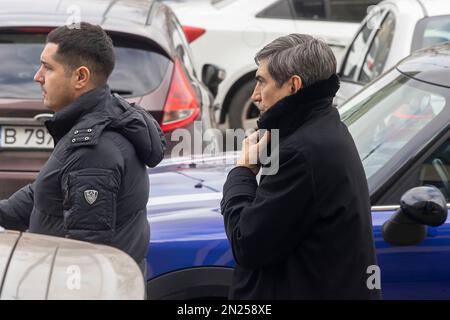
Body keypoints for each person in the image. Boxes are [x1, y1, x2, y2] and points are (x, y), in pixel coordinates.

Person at [220, 34, 381, 299]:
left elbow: (246, 243)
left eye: (261, 81)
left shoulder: (300, 153)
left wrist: (243, 171)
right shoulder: (323, 127)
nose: (254, 95)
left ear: (293, 85)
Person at [0, 22, 166, 273]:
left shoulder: (94, 151)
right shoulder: (91, 120)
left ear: (80, 77)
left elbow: (86, 257)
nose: (37, 76)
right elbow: (47, 193)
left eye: (47, 67)